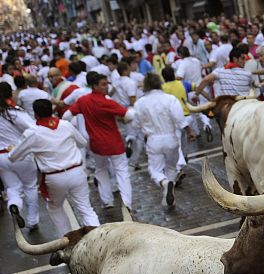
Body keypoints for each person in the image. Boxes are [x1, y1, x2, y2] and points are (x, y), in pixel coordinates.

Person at [9, 99, 100, 236]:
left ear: (35, 114)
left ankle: (68, 240)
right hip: (77, 171)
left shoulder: (33, 133)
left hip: (54, 177)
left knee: (55, 207)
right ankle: (99, 238)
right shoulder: (66, 125)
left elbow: (14, 156)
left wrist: (14, 149)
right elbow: (82, 142)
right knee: (86, 208)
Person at [65, 71, 134, 211]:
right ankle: (127, 203)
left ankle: (107, 200)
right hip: (114, 143)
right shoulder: (107, 101)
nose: (106, 87)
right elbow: (128, 115)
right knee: (122, 172)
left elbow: (66, 116)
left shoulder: (83, 100)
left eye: (107, 84)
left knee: (101, 170)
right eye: (103, 84)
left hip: (96, 144)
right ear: (94, 86)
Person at [133, 73, 188, 209]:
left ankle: (164, 183)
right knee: (171, 167)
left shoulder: (140, 103)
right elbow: (179, 119)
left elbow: (135, 124)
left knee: (155, 170)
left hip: (153, 140)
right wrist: (190, 131)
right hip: (171, 138)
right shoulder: (170, 99)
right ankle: (169, 195)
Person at [0, 82, 38, 230]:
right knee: (30, 186)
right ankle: (33, 220)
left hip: (1, 157)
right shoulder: (15, 112)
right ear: (10, 94)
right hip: (20, 154)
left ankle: (14, 205)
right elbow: (33, 129)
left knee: (13, 187)